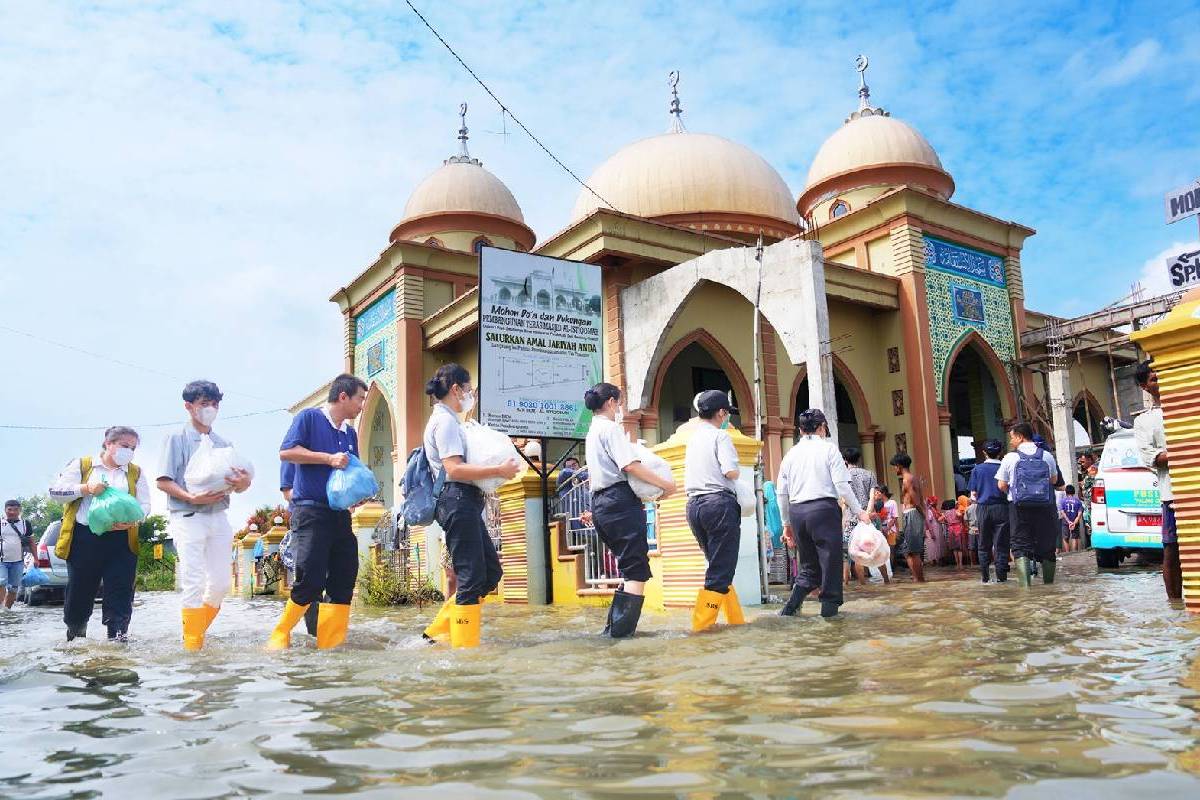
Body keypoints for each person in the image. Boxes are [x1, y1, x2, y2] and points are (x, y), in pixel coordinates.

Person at [418, 364, 519, 648]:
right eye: (468, 389)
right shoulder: (445, 422)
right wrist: (498, 469)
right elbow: (454, 468)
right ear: (456, 389)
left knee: (491, 573)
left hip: (464, 500)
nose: (470, 394)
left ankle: (435, 634)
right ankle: (464, 650)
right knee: (471, 577)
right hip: (456, 499)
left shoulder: (450, 420)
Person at [267, 374, 369, 650]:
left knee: (344, 577)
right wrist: (328, 459)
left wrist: (357, 494)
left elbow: (350, 471)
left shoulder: (349, 433)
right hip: (310, 512)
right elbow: (286, 452)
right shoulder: (309, 418)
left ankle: (331, 645)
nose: (362, 405)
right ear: (343, 396)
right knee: (311, 580)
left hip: (340, 515)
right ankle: (280, 633)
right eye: (360, 399)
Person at [156, 380, 253, 651]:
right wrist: (191, 497)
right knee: (194, 581)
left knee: (221, 583)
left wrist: (244, 483)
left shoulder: (223, 444)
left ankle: (194, 632)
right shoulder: (176, 438)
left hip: (218, 516)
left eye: (214, 404)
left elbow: (239, 486)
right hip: (188, 516)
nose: (210, 409)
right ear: (189, 407)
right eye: (204, 404)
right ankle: (192, 647)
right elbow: (163, 481)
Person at [580, 382, 676, 637]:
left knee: (628, 567)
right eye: (619, 403)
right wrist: (665, 485)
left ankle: (612, 632)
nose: (620, 408)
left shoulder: (593, 431)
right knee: (636, 570)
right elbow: (630, 465)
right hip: (618, 501)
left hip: (601, 504)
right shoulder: (610, 429)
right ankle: (620, 637)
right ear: (611, 402)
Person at [49, 426, 151, 641]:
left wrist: (133, 520)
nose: (129, 451)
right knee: (80, 592)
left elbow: (145, 505)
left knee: (121, 592)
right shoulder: (83, 465)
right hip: (84, 539)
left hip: (122, 540)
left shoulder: (135, 473)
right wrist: (85, 488)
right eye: (124, 445)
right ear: (108, 443)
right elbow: (56, 492)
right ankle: (76, 637)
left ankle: (118, 640)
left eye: (133, 448)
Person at [777, 409, 872, 618]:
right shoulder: (829, 450)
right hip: (823, 511)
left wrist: (786, 524)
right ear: (822, 428)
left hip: (797, 512)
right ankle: (830, 618)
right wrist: (859, 512)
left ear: (800, 430)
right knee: (831, 565)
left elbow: (781, 493)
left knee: (809, 567)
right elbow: (842, 485)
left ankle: (788, 611)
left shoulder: (790, 455)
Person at [683, 390, 744, 632]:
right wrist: (738, 471)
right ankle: (701, 627)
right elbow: (730, 471)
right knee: (720, 568)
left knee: (718, 564)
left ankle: (735, 621)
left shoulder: (693, 438)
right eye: (727, 413)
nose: (728, 417)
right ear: (720, 413)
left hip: (694, 506)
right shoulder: (721, 436)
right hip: (718, 504)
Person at [1134, 361, 1181, 600]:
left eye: (1162, 375)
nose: (1160, 380)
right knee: (1172, 550)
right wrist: (1185, 451)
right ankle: (1175, 605)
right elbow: (1151, 457)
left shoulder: (1188, 407)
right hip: (1171, 493)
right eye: (1154, 378)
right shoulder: (1144, 421)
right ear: (1144, 386)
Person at [996, 423, 1063, 587]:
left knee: (1020, 545)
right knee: (1047, 545)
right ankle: (1049, 586)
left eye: (1012, 437)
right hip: (1045, 506)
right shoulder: (1047, 456)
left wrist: (1015, 492)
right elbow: (1054, 480)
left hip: (1019, 507)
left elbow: (1001, 485)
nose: (1011, 441)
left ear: (1020, 437)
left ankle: (1025, 588)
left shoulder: (1010, 458)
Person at [968, 438, 1009, 583]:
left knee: (983, 544)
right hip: (1002, 508)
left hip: (983, 508)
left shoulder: (977, 469)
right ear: (1000, 452)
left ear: (984, 452)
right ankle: (1002, 578)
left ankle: (985, 578)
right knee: (1001, 545)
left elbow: (973, 495)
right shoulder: (1005, 467)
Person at [842, 448, 876, 586]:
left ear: (845, 460)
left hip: (849, 518)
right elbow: (872, 497)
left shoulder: (843, 476)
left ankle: (847, 583)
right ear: (859, 459)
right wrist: (866, 514)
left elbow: (843, 500)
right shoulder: (869, 474)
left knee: (847, 554)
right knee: (869, 547)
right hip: (865, 517)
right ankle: (882, 581)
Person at [889, 453, 926, 582]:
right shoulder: (913, 478)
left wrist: (923, 515)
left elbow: (916, 500)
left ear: (899, 466)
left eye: (895, 466)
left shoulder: (907, 479)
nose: (894, 469)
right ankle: (917, 579)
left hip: (912, 513)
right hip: (913, 514)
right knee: (908, 551)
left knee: (913, 552)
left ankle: (919, 580)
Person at [2, 500, 35, 609]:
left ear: (19, 510)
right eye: (9, 509)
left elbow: (31, 542)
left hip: (18, 562)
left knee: (13, 588)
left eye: (15, 509)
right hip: (2, 561)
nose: (12, 512)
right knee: (1, 582)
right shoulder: (1, 523)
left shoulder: (25, 524)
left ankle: (6, 611)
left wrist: (36, 558)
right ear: (5, 510)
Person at [1058, 485, 1083, 554]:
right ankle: (1074, 553)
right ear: (1074, 492)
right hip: (1075, 522)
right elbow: (1079, 513)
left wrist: (1068, 521)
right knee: (1074, 537)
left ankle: (1067, 553)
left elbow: (1062, 512)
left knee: (1065, 538)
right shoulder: (1078, 501)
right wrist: (1074, 522)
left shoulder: (1063, 501)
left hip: (1065, 522)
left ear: (1066, 492)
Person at [943, 499, 965, 570]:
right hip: (957, 529)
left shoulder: (946, 512)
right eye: (956, 504)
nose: (957, 505)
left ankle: (957, 564)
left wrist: (947, 522)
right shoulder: (956, 511)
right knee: (959, 548)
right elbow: (960, 515)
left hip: (950, 529)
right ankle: (961, 564)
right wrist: (962, 514)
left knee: (954, 548)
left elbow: (940, 519)